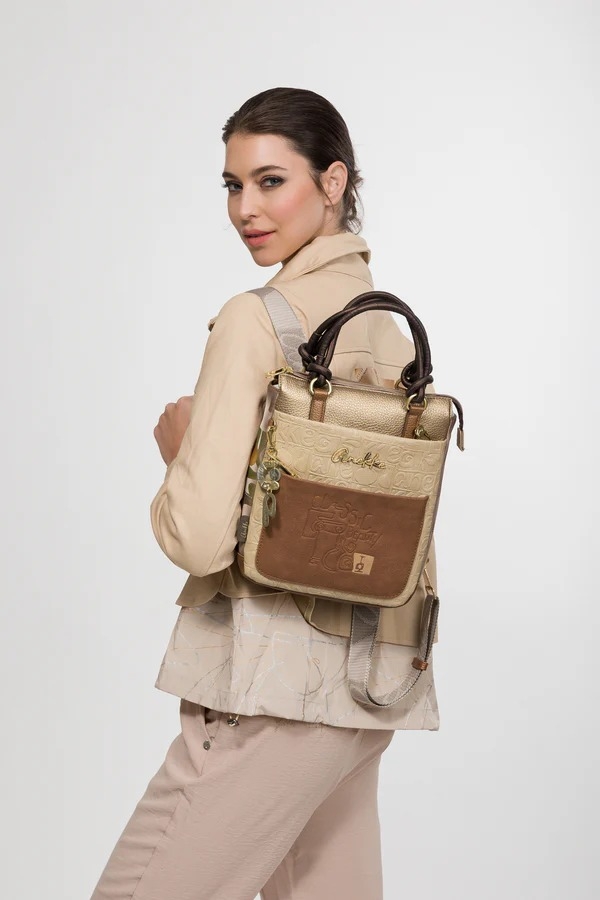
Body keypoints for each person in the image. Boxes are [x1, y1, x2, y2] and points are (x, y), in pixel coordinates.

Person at [90, 87, 440, 900]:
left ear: (332, 181)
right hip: (371, 682)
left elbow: (200, 538)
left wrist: (181, 455)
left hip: (271, 688)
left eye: (270, 181)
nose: (245, 208)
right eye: (232, 185)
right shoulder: (390, 333)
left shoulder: (257, 320)